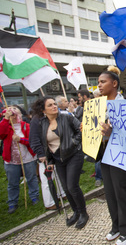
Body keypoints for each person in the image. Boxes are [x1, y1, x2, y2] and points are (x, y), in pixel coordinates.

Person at [30, 96, 89, 229]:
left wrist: (73, 143)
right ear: (43, 110)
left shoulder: (66, 117)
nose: (54, 106)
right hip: (58, 159)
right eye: (50, 105)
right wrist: (49, 160)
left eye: (54, 104)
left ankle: (83, 213)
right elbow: (45, 144)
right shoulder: (42, 124)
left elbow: (80, 131)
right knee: (66, 188)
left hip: (74, 154)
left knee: (72, 186)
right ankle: (76, 212)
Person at [99, 66, 126, 244]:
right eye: (98, 82)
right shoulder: (97, 105)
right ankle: (116, 225)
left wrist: (112, 133)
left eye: (103, 82)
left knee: (122, 191)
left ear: (114, 83)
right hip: (103, 153)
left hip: (122, 153)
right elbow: (95, 128)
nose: (99, 85)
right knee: (110, 192)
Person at [0, 106, 40, 214]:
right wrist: (5, 120)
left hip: (27, 158)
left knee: (31, 178)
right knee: (12, 183)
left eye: (14, 108)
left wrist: (20, 140)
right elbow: (1, 134)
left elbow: (32, 141)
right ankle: (12, 202)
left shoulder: (26, 126)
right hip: (11, 160)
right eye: (9, 109)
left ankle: (34, 197)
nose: (11, 110)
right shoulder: (6, 125)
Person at [29, 113, 66, 211]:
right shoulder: (36, 120)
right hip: (45, 153)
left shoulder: (51, 117)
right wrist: (41, 154)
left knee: (58, 174)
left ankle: (61, 194)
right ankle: (49, 202)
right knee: (47, 178)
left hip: (54, 152)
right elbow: (34, 138)